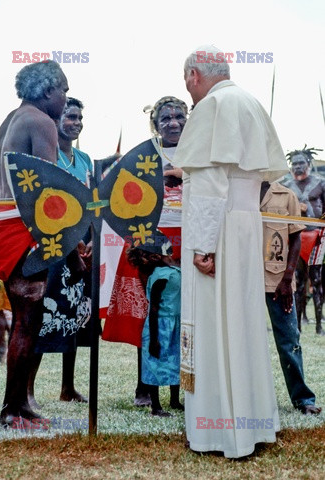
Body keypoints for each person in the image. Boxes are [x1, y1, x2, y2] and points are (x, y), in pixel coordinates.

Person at [173, 45, 288, 458]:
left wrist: (204, 247)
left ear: (193, 75)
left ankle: (219, 431)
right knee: (240, 323)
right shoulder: (250, 102)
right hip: (244, 225)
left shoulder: (212, 105)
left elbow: (208, 185)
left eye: (185, 79)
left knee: (215, 325)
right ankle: (251, 424)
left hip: (218, 229)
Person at [0, 60, 72, 427]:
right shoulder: (42, 121)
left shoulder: (9, 120)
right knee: (26, 321)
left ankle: (19, 406)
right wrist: (64, 241)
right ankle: (11, 411)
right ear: (48, 90)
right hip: (25, 228)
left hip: (0, 225)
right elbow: (49, 190)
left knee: (25, 320)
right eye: (64, 90)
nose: (66, 99)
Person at [102, 96, 188, 407]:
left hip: (189, 242)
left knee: (183, 318)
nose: (173, 122)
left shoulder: (200, 151)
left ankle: (183, 385)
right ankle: (145, 385)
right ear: (155, 123)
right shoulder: (144, 155)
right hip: (149, 244)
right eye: (165, 118)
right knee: (148, 316)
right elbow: (121, 192)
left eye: (179, 116)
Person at [27, 97, 93, 407]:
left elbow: (89, 205)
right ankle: (28, 389)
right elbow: (50, 207)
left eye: (79, 116)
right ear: (56, 121)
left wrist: (90, 242)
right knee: (44, 317)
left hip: (81, 247)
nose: (76, 122)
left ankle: (68, 387)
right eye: (69, 116)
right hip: (54, 249)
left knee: (74, 318)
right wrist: (73, 253)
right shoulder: (48, 157)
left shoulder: (84, 159)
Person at [260, 181, 322, 415]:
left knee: (289, 340)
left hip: (278, 282)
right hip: (242, 280)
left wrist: (287, 279)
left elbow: (296, 238)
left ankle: (303, 399)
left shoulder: (286, 195)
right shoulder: (237, 190)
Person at [126, 232, 184, 416]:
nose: (171, 255)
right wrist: (154, 339)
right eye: (168, 253)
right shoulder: (160, 276)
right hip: (160, 326)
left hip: (175, 324)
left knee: (175, 360)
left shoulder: (174, 270)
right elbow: (153, 310)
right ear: (157, 256)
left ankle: (175, 400)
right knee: (156, 364)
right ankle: (156, 406)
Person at [281, 147, 325, 335]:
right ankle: (298, 324)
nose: (298, 166)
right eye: (295, 163)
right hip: (295, 237)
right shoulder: (286, 185)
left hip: (316, 237)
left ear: (309, 163)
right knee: (298, 282)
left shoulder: (320, 183)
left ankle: (318, 326)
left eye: (301, 163)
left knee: (317, 280)